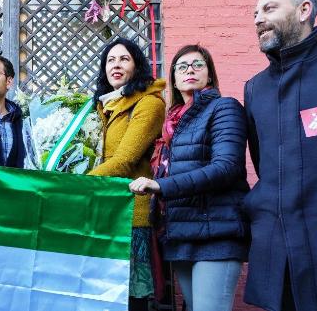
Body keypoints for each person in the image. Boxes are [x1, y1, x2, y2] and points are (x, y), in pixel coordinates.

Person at [244, 0, 317, 311]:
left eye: (270, 9)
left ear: (304, 11)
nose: (258, 19)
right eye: (256, 13)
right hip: (279, 255)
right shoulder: (255, 88)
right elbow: (263, 163)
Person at [129, 45, 250, 311]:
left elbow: (227, 167)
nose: (190, 71)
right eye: (181, 67)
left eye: (198, 65)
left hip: (216, 233)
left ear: (210, 74)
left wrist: (161, 185)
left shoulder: (223, 108)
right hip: (182, 232)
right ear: (173, 77)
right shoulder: (173, 122)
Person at [87, 37, 165, 311]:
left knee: (131, 298)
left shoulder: (148, 103)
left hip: (131, 214)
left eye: (124, 59)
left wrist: (78, 184)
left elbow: (124, 160)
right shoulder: (101, 106)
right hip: (100, 208)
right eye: (110, 60)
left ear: (137, 65)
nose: (116, 65)